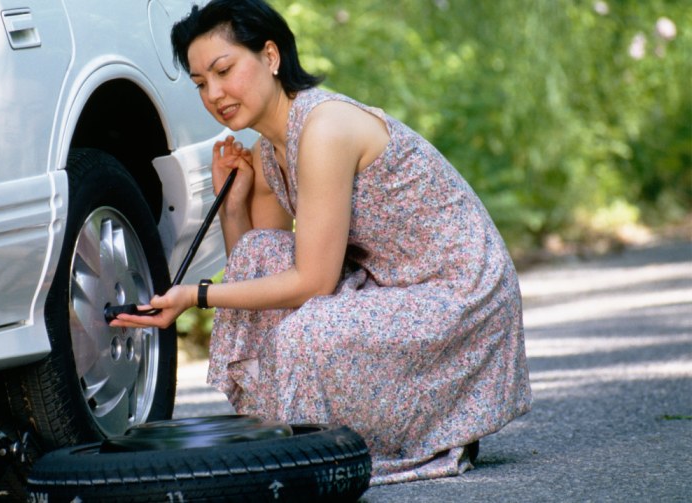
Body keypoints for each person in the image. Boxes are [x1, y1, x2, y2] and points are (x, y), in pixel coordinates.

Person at [112, 0, 531, 485]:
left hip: (458, 296)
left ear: (271, 56)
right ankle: (294, 435)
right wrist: (233, 205)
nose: (216, 94)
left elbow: (312, 281)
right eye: (202, 83)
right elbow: (258, 273)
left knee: (304, 335)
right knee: (261, 257)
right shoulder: (268, 151)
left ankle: (408, 434)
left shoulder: (325, 128)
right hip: (389, 289)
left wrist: (196, 296)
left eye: (224, 70)